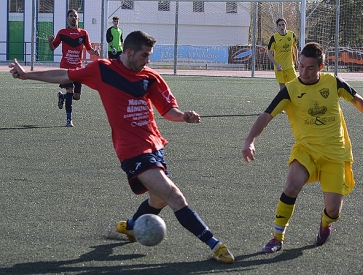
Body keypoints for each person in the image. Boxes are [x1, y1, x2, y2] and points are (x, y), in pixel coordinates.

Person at [9, 30, 234, 264]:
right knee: (174, 196)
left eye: (149, 56)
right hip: (132, 150)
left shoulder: (151, 78)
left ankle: (132, 226)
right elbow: (65, 74)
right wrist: (27, 75)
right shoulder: (102, 70)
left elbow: (168, 111)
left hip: (155, 145)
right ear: (129, 52)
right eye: (144, 55)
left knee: (158, 200)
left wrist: (184, 117)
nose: (148, 60)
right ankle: (215, 244)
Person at [242, 42, 363, 253]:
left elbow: (356, 99)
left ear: (321, 67)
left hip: (335, 153)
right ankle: (277, 237)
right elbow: (266, 115)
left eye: (309, 68)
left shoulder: (332, 83)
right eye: (301, 66)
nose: (303, 72)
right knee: (291, 185)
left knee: (333, 210)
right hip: (306, 150)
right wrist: (250, 140)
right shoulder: (291, 89)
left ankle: (325, 224)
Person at [48, 9, 100, 127]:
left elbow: (89, 48)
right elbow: (53, 48)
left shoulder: (83, 33)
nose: (73, 18)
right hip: (65, 68)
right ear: (67, 19)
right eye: (71, 16)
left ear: (78, 19)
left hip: (78, 68)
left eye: (75, 16)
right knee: (70, 90)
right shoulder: (62, 33)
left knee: (77, 96)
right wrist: (50, 42)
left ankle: (62, 96)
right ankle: (68, 119)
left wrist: (94, 52)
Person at [267, 18, 298, 90]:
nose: (282, 27)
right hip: (279, 67)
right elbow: (269, 52)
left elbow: (294, 47)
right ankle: (283, 101)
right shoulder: (274, 38)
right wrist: (276, 64)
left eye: (283, 25)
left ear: (286, 25)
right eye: (279, 25)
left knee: (295, 84)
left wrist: (296, 60)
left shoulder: (291, 34)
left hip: (290, 66)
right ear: (277, 26)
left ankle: (293, 100)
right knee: (282, 86)